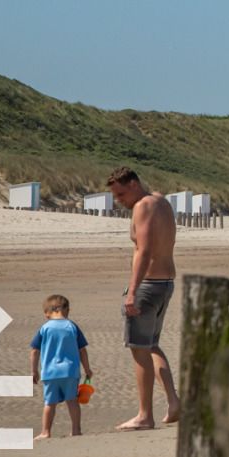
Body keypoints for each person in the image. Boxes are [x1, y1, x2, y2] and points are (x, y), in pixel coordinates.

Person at [107, 166, 181, 430]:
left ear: (135, 184)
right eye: (116, 196)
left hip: (148, 286)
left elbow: (145, 250)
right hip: (165, 283)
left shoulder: (143, 206)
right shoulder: (162, 201)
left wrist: (133, 290)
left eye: (122, 194)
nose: (120, 201)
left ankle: (144, 415)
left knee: (140, 348)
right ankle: (173, 402)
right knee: (151, 345)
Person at [29, 294, 92, 439]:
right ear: (68, 310)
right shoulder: (72, 326)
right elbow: (82, 350)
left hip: (50, 373)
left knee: (49, 403)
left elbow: (34, 351)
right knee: (72, 401)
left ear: (47, 313)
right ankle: (76, 430)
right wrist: (87, 369)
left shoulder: (44, 328)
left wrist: (34, 371)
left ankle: (46, 431)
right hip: (70, 371)